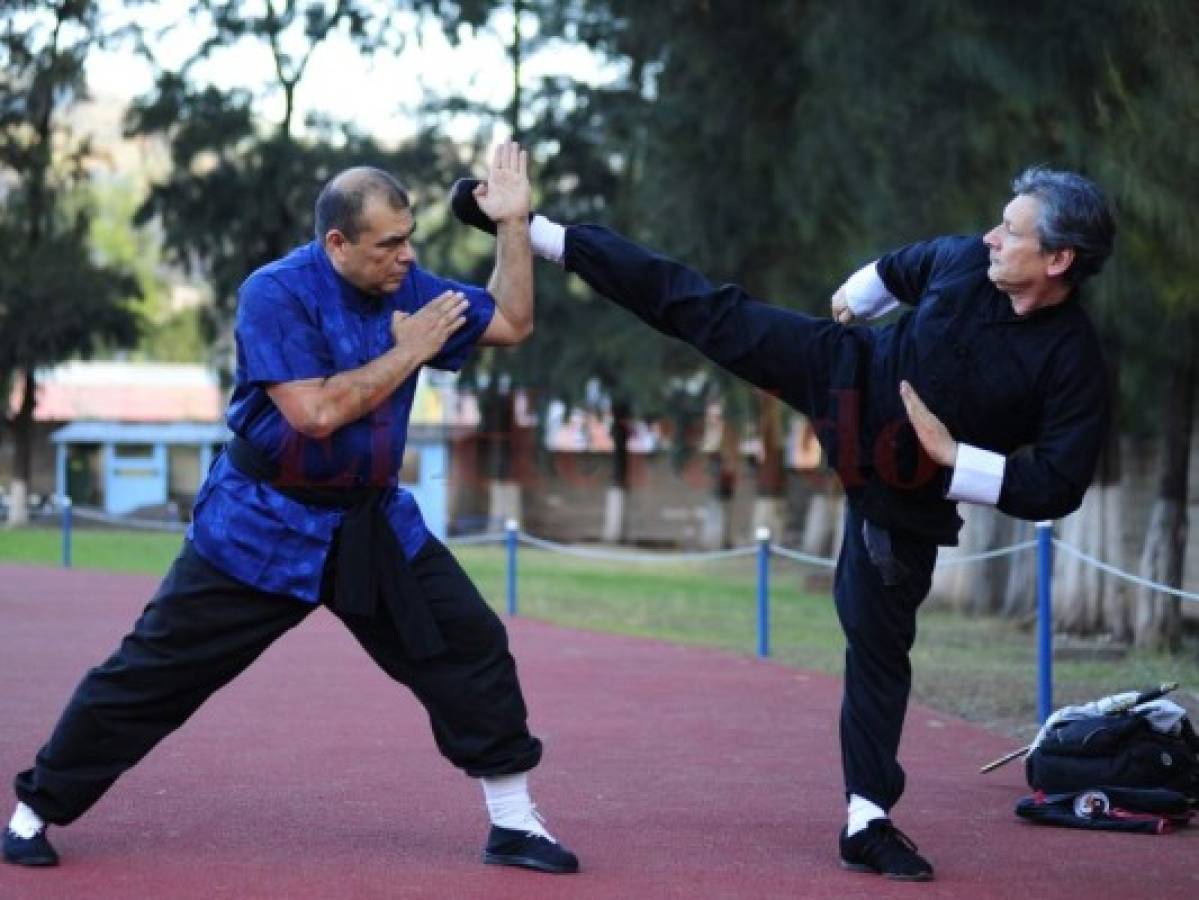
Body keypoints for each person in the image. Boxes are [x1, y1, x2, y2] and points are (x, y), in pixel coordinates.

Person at [450, 166, 1115, 881]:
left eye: (1010, 231)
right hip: (845, 377)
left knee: (876, 644)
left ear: (1057, 259)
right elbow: (901, 266)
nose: (991, 235)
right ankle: (535, 230)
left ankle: (866, 818)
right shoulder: (961, 259)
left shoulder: (1073, 362)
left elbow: (1057, 483)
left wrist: (956, 460)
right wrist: (858, 297)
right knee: (704, 308)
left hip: (907, 490)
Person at [4, 142, 579, 875]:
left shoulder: (409, 287)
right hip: (261, 522)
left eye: (411, 241)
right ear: (337, 243)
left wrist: (511, 224)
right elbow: (314, 414)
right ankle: (36, 809)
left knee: (466, 646)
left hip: (370, 523)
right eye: (389, 245)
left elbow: (512, 322)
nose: (406, 258)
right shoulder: (274, 293)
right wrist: (411, 352)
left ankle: (512, 823)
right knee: (156, 672)